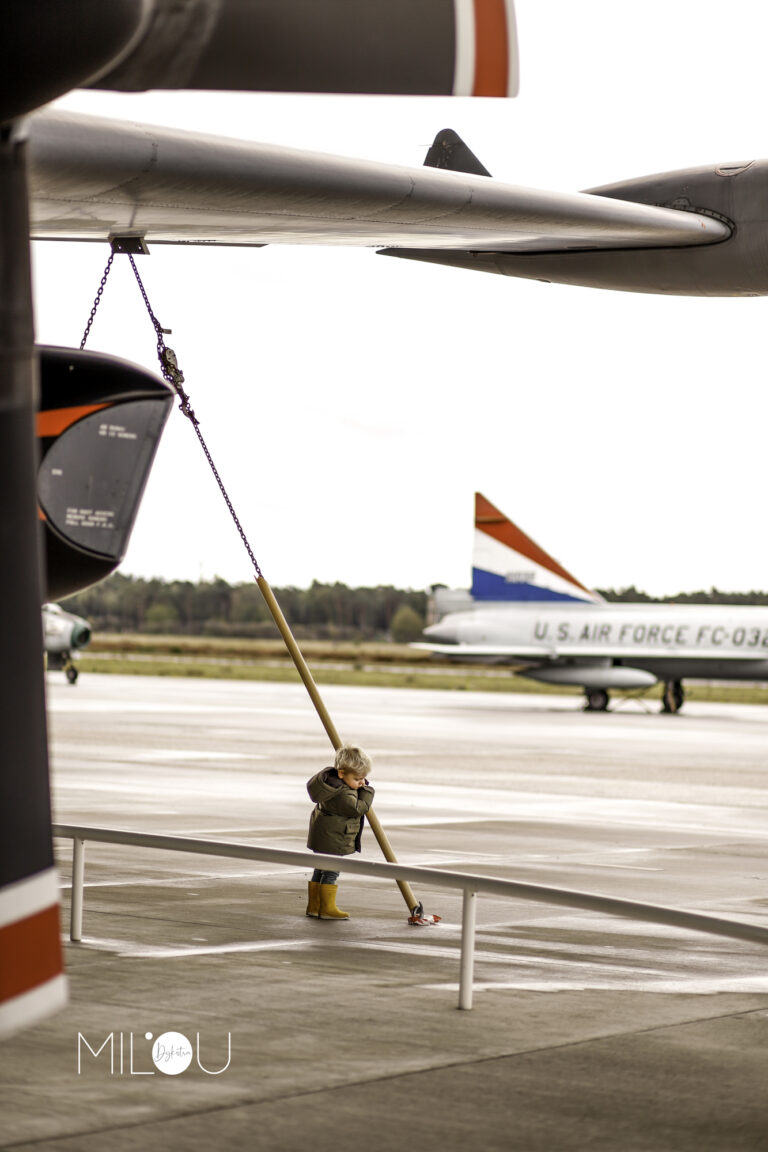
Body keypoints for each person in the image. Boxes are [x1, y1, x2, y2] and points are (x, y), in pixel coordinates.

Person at [305, 745, 374, 920]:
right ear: (342, 774)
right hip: (334, 838)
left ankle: (315, 906)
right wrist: (367, 792)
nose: (362, 782)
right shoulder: (343, 793)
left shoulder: (329, 785)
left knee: (320, 868)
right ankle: (327, 908)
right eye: (358, 778)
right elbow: (357, 809)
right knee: (331, 871)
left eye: (364, 779)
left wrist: (358, 786)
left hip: (324, 835)